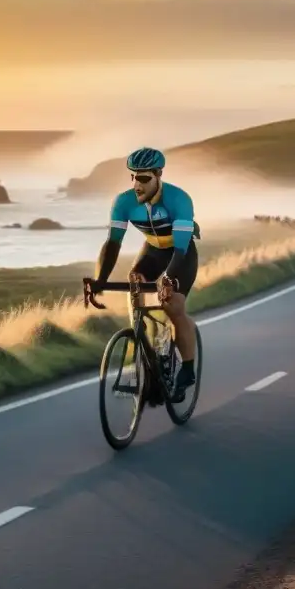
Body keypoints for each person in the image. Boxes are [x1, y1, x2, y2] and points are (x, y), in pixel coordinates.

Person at [89, 147, 201, 401]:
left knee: (172, 305)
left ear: (159, 174)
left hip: (180, 253)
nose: (137, 185)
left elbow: (181, 247)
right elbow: (113, 243)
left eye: (143, 178)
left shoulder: (179, 199)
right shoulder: (124, 202)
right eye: (133, 177)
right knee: (135, 281)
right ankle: (145, 344)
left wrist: (168, 279)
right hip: (152, 249)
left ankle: (186, 369)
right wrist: (101, 280)